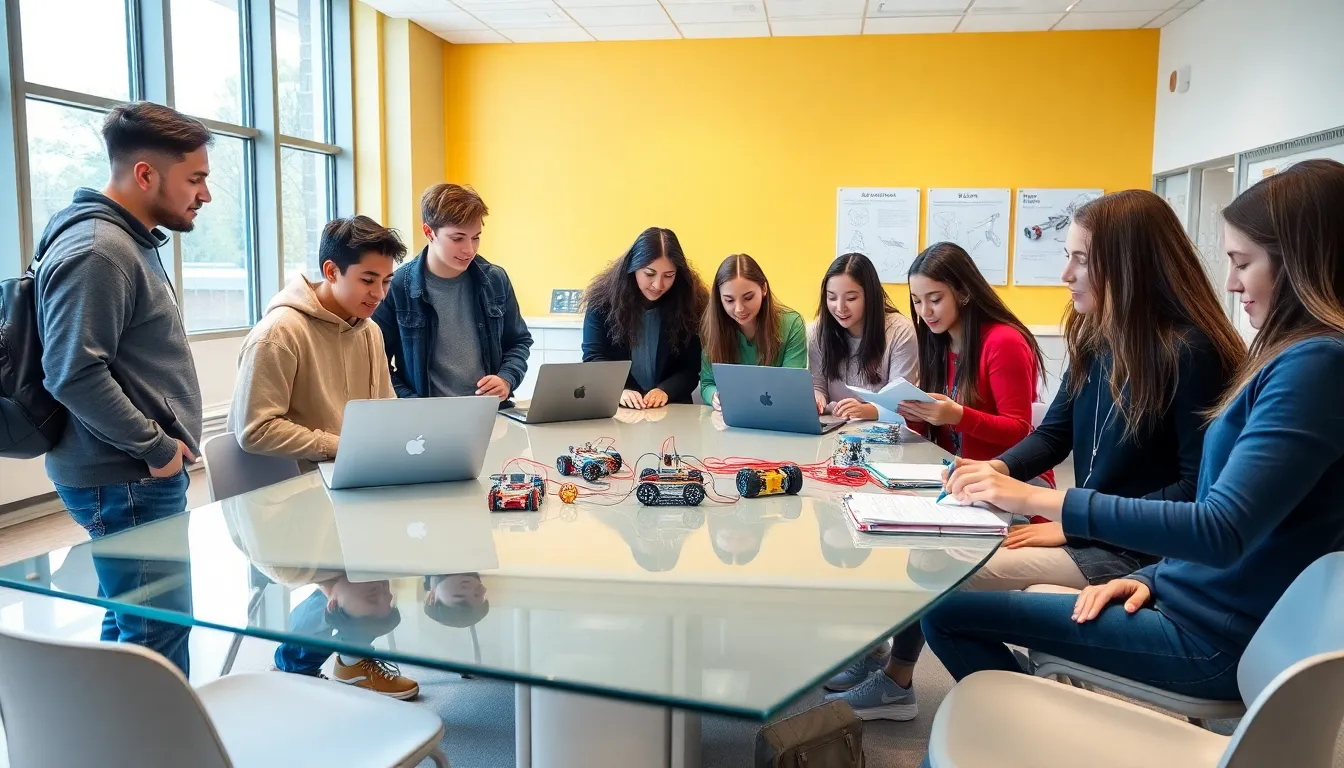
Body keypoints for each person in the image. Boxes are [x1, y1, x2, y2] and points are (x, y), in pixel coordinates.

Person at [923, 158, 1344, 704]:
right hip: (1185, 597)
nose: (1231, 281)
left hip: (1209, 638)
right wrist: (1155, 579)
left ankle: (1030, 730)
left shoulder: (1312, 365)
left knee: (947, 614)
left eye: (1243, 261)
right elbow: (1231, 525)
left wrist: (1053, 506)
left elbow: (1218, 525)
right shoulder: (1291, 356)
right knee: (957, 609)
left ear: (1298, 264)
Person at [827, 189, 1245, 721]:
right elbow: (1052, 436)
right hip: (1093, 528)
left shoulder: (1190, 352)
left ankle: (1028, 716)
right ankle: (1031, 711)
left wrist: (1073, 523)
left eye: (1080, 258)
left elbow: (1193, 494)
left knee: (940, 592)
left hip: (1136, 551)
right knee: (936, 572)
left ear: (1129, 264)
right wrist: (996, 468)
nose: (1065, 273)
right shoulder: (1096, 336)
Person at [34, 101, 213, 675]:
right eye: (195, 179)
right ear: (145, 174)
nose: (204, 195)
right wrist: (156, 448)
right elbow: (73, 372)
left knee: (133, 623)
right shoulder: (99, 250)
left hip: (130, 474)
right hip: (127, 477)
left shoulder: (124, 241)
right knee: (157, 639)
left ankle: (109, 740)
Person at [227, 215, 419, 699]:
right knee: (368, 579)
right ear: (332, 271)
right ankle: (306, 665)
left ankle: (344, 659)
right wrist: (341, 444)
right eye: (368, 280)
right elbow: (253, 429)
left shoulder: (368, 331)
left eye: (387, 281)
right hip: (288, 504)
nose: (379, 294)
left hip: (345, 490)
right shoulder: (280, 333)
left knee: (402, 547)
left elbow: (383, 413)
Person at [901, 242, 1050, 484]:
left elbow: (1019, 430)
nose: (925, 312)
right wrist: (916, 415)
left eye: (935, 299)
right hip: (961, 477)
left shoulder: (1004, 341)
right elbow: (938, 433)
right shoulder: (937, 342)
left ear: (964, 293)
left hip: (1014, 479)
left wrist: (958, 416)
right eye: (917, 301)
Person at [373, 183, 533, 405]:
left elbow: (519, 341)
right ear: (429, 232)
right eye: (457, 238)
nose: (469, 249)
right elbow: (377, 363)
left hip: (491, 413)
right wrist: (412, 403)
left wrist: (506, 379)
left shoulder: (495, 279)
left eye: (476, 237)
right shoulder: (398, 285)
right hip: (426, 420)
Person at [581, 227, 709, 408]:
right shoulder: (601, 301)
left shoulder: (691, 303)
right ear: (632, 268)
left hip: (672, 409)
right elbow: (594, 358)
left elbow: (690, 368)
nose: (658, 285)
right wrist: (619, 390)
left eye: (669, 275)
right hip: (619, 409)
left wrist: (665, 390)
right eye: (649, 274)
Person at [808, 252, 918, 421]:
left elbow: (901, 401)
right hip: (833, 428)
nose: (840, 307)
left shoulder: (901, 332)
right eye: (832, 297)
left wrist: (865, 410)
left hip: (883, 433)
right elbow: (818, 386)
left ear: (870, 296)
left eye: (851, 298)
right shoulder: (818, 332)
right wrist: (817, 400)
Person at [699, 253, 807, 408]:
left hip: (777, 416)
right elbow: (707, 384)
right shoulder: (712, 327)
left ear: (764, 289)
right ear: (719, 298)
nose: (739, 309)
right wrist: (715, 396)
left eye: (748, 298)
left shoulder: (791, 324)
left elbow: (791, 386)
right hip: (731, 421)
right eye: (729, 300)